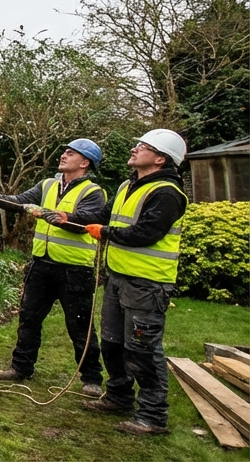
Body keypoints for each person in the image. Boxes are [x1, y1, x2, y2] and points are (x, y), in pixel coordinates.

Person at [0, 138, 107, 395]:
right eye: (65, 152)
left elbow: (85, 222)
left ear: (85, 162)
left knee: (79, 325)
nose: (63, 155)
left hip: (74, 270)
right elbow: (19, 201)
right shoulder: (47, 184)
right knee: (29, 318)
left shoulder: (93, 192)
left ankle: (91, 378)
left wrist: (53, 216)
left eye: (70, 153)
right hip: (41, 265)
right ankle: (21, 367)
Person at [82, 129, 189, 436]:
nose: (134, 148)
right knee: (112, 343)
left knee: (142, 350)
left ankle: (153, 416)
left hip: (148, 285)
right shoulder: (127, 186)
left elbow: (146, 233)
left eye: (142, 146)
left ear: (160, 159)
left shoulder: (167, 193)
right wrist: (67, 218)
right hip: (118, 278)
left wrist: (105, 233)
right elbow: (101, 216)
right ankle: (118, 397)